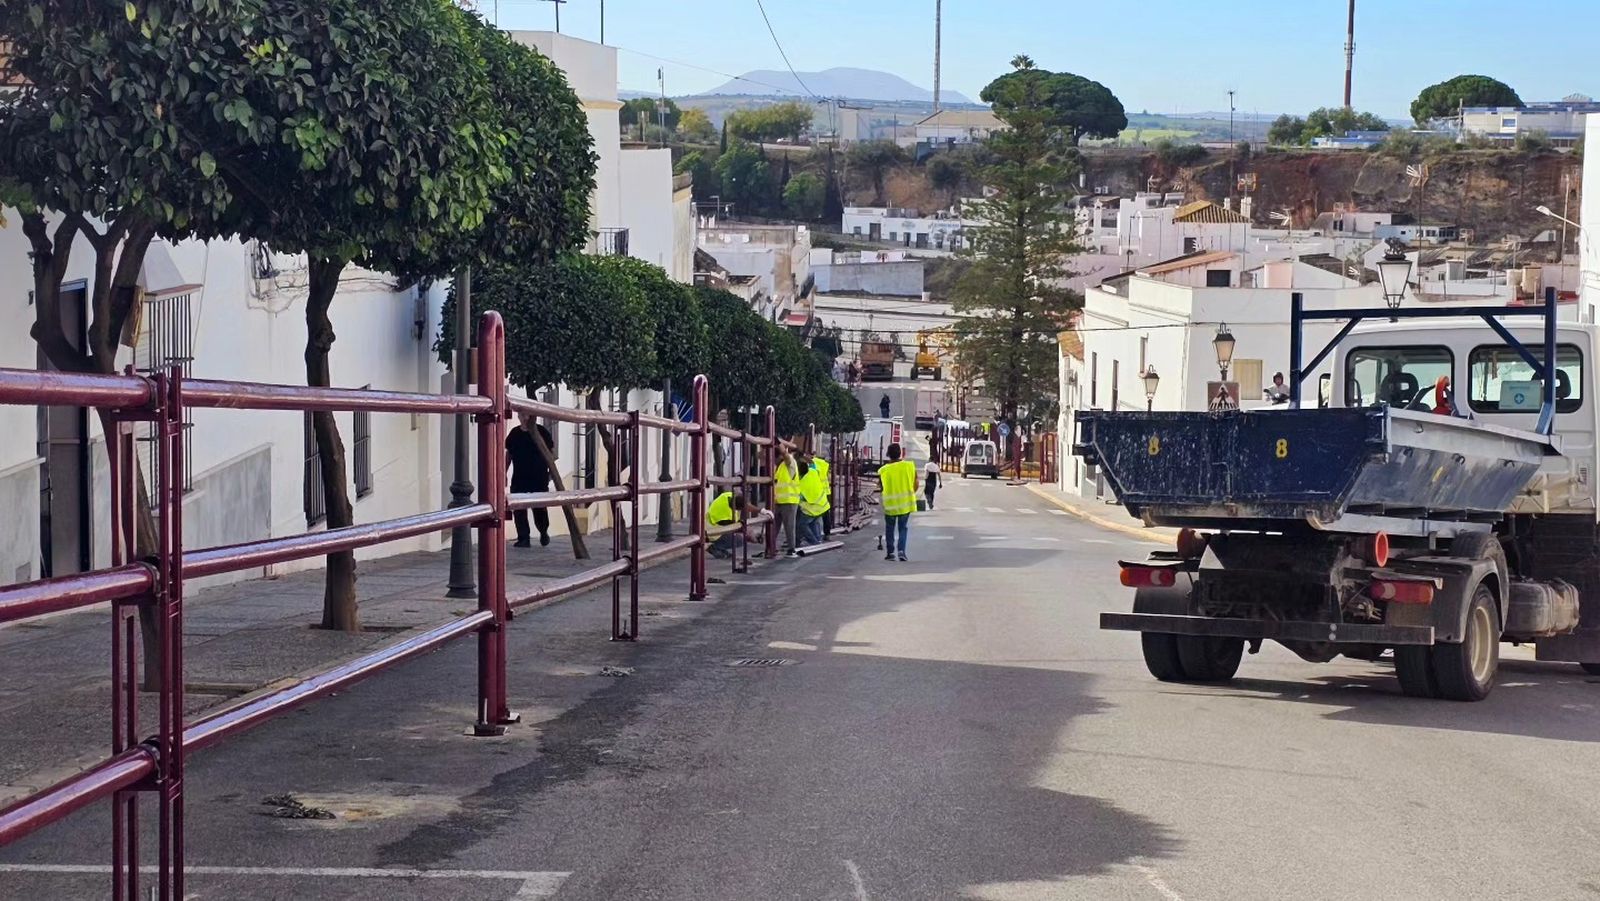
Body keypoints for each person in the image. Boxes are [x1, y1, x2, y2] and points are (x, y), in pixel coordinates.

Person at [506, 412, 554, 548]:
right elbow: (509, 454)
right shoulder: (514, 433)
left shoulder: (542, 432)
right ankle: (523, 538)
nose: (525, 418)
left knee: (539, 508)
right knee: (518, 508)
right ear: (519, 417)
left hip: (538, 477)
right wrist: (503, 471)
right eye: (523, 415)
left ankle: (543, 531)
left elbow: (552, 452)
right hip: (519, 477)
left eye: (528, 415)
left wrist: (551, 472)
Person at [878, 442, 917, 562]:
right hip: (905, 504)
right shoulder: (909, 466)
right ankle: (901, 551)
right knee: (902, 528)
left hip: (890, 506)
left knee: (889, 529)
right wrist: (910, 493)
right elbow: (916, 484)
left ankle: (890, 552)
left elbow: (881, 487)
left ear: (888, 454)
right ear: (900, 453)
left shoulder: (883, 470)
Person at [706, 491, 758, 559]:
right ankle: (714, 547)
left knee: (739, 537)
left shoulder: (728, 496)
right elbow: (733, 528)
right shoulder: (724, 514)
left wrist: (760, 510)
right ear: (736, 508)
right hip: (713, 533)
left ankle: (720, 550)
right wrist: (748, 535)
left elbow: (747, 505)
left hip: (713, 528)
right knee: (739, 540)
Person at [773, 447, 801, 557]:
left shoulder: (790, 463)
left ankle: (791, 548)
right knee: (774, 526)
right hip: (779, 501)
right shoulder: (779, 467)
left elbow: (785, 454)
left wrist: (779, 445)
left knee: (789, 526)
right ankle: (771, 547)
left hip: (789, 501)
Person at [797, 451, 829, 546]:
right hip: (822, 504)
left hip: (811, 508)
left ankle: (814, 542)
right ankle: (818, 540)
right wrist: (803, 456)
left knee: (802, 525)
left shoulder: (800, 483)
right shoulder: (813, 471)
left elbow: (799, 498)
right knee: (814, 523)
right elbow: (812, 463)